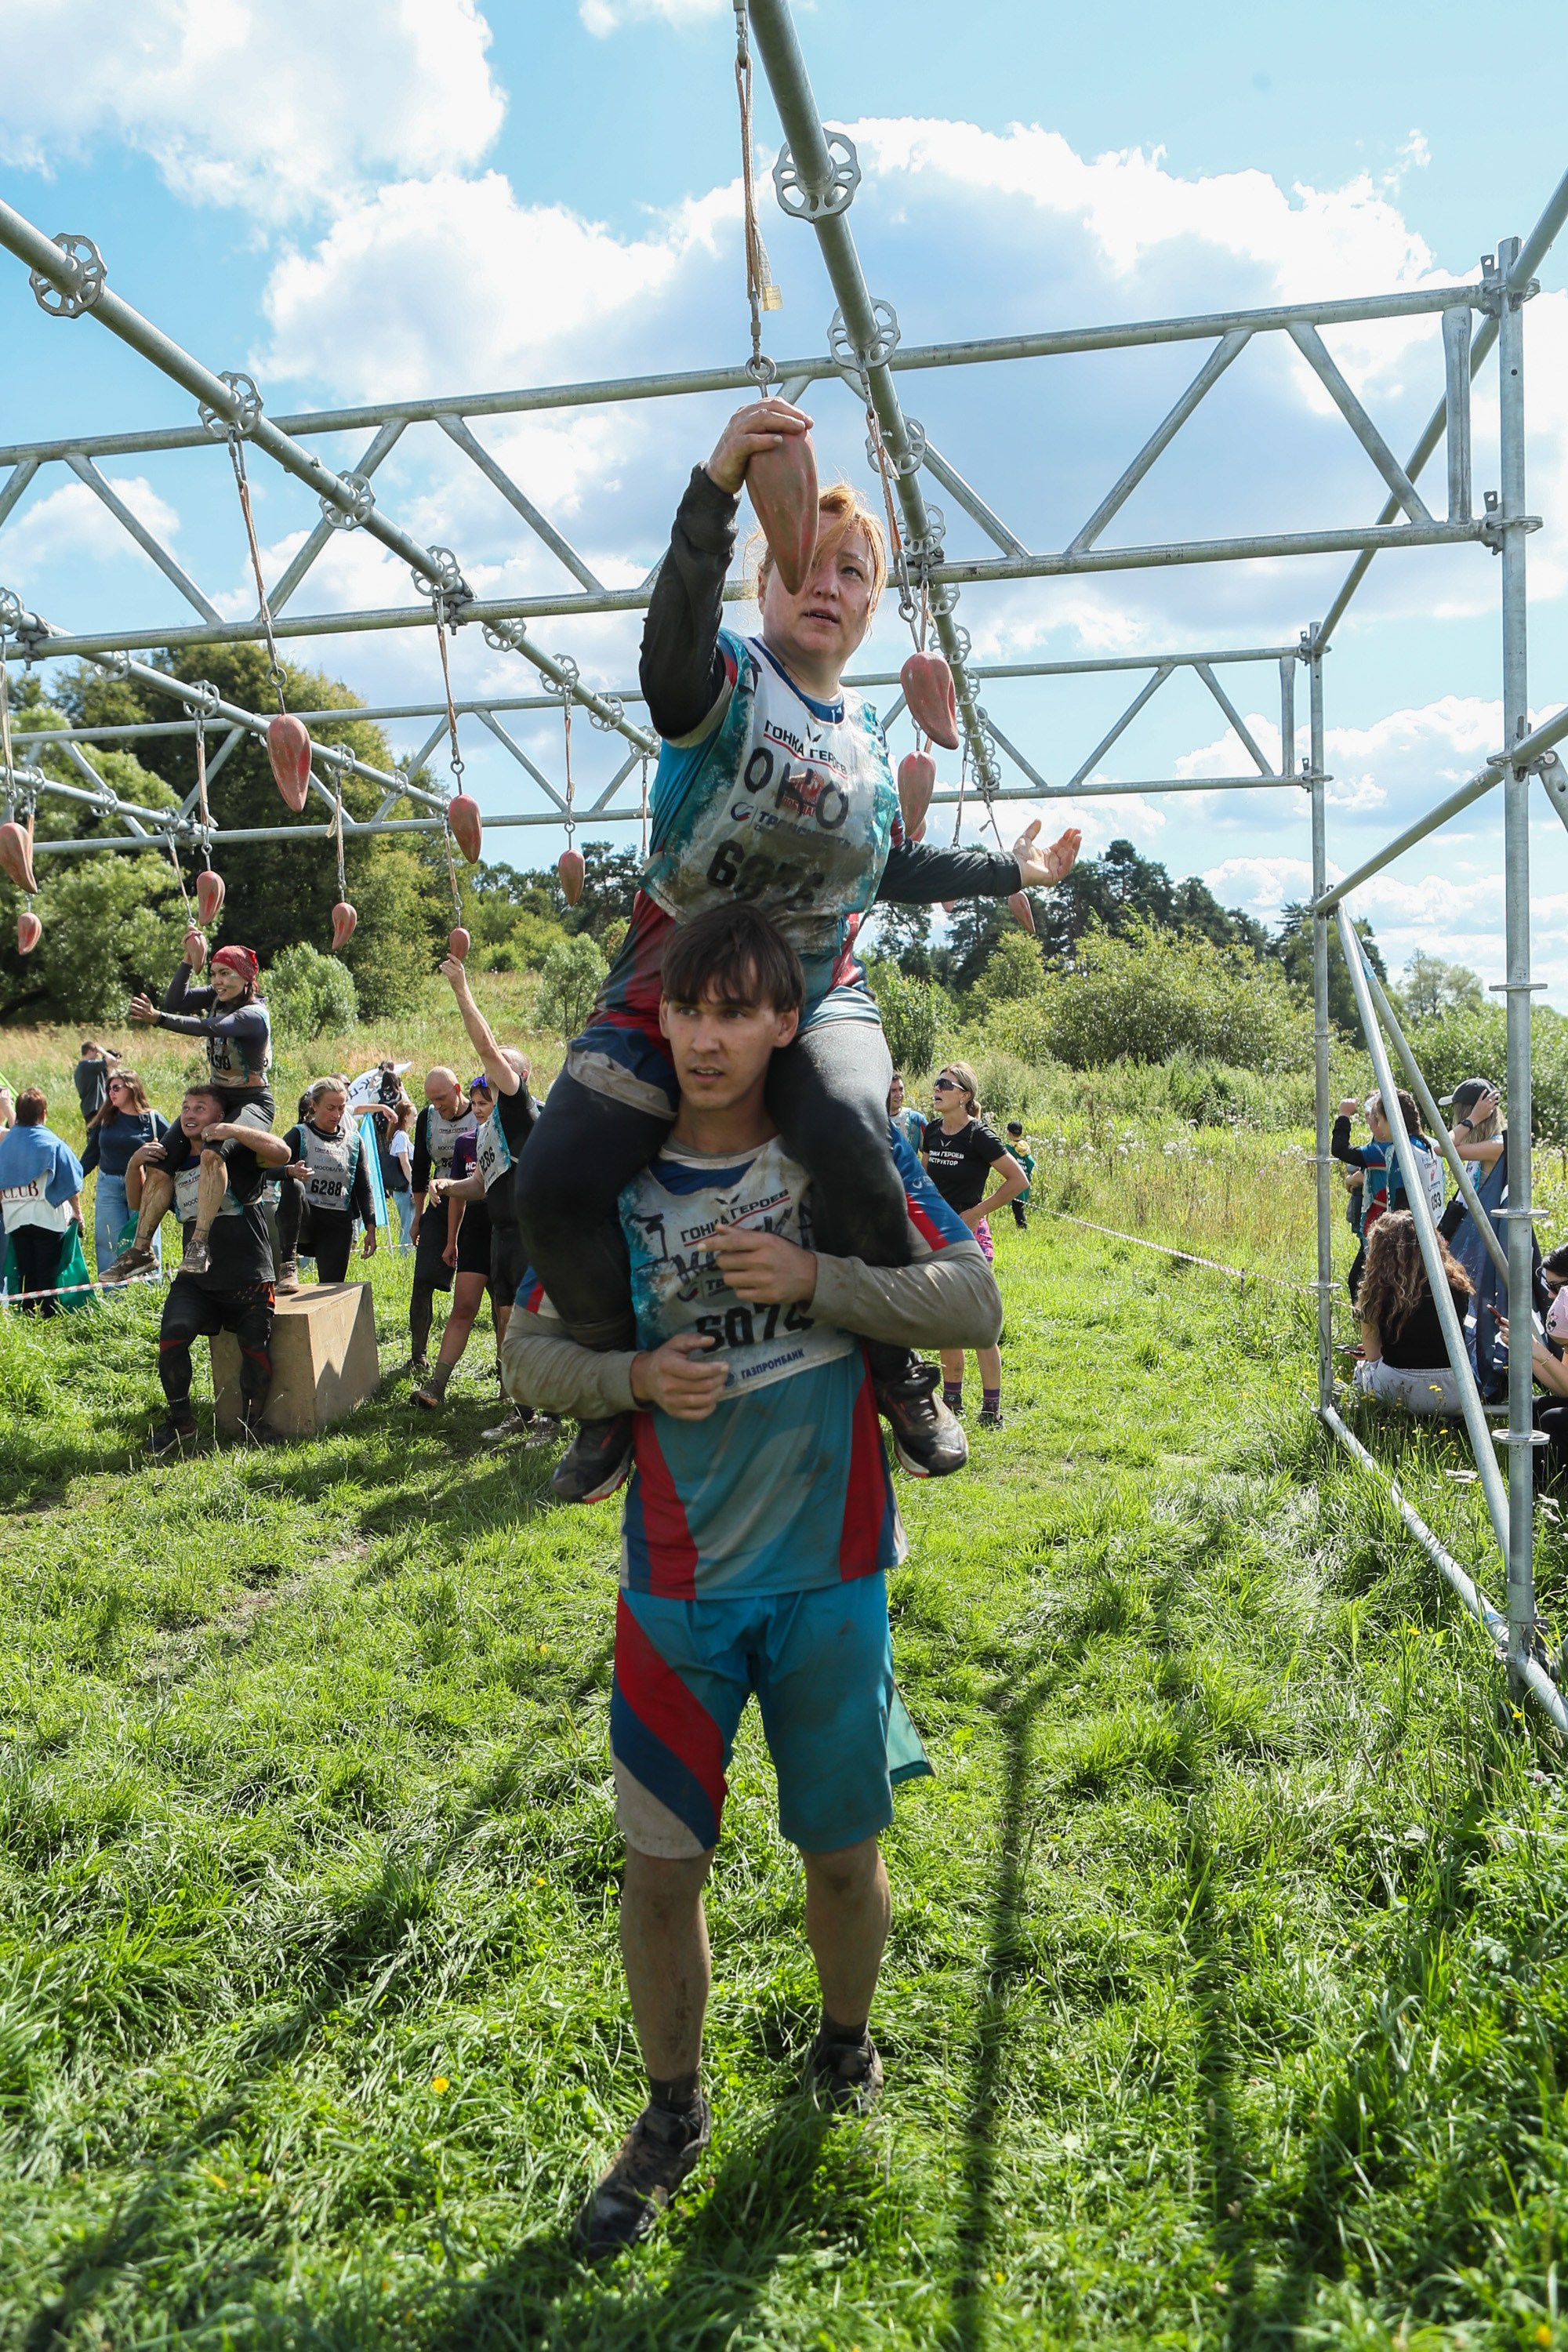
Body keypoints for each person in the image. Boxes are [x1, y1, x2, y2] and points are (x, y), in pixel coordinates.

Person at [503, 903, 1003, 2258]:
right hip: (675, 1592)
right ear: (655, 1023)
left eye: (738, 1011)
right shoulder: (613, 1185)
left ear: (790, 1023)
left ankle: (845, 2048)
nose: (709, 1036)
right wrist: (628, 1378)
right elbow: (524, 1360)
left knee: (842, 1855)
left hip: (833, 1576)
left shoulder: (842, 1164)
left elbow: (974, 1301)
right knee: (662, 1869)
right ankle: (670, 2113)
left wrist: (823, 1280)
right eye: (687, 1009)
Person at [514, 395, 1080, 1505]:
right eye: (806, 563)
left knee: (845, 1129)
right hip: (672, 980)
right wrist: (715, 491)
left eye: (854, 572)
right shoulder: (724, 685)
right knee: (555, 1178)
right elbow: (665, 664)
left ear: (872, 605)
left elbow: (891, 868)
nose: (828, 584)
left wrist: (1019, 872)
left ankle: (899, 1371)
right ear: (764, 579)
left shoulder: (868, 743)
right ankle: (615, 1388)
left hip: (820, 987)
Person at [128, 1084, 292, 1456]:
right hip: (196, 1280)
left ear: (219, 1117)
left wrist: (234, 1131)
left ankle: (253, 1423)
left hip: (250, 1275)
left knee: (254, 1345)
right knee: (172, 1338)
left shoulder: (240, 1155)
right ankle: (181, 1423)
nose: (189, 1113)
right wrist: (134, 1163)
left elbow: (283, 1152)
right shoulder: (174, 1162)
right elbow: (138, 1203)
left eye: (200, 1108)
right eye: (185, 1106)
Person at [427, 956, 545, 1438]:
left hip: (531, 1238)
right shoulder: (491, 1127)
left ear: (517, 1077)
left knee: (536, 1331)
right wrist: (447, 1186)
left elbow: (487, 1045)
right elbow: (484, 1185)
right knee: (509, 1331)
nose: (489, 1070)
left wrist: (461, 988)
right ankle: (521, 1413)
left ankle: (552, 1418)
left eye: (499, 1067)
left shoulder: (519, 1110)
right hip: (501, 1236)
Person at [108, 945, 274, 1283]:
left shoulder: (253, 1015)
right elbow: (177, 999)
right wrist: (187, 958)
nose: (218, 981)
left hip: (252, 1101)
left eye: (226, 974)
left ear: (247, 978)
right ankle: (142, 1250)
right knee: (162, 1160)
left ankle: (199, 1243)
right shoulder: (218, 996)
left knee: (212, 1153)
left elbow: (210, 1028)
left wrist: (158, 1020)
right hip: (218, 1098)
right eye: (213, 973)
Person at [920, 1062, 1026, 1428]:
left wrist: (975, 1213)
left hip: (969, 1238)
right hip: (936, 1237)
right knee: (947, 1323)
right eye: (936, 1082)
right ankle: (952, 1402)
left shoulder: (978, 1135)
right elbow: (923, 1182)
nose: (936, 1088)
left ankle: (991, 1410)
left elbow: (1018, 1180)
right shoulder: (931, 1132)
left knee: (978, 1323)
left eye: (944, 1084)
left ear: (965, 1096)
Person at [1436, 1079, 1541, 1403]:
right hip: (1474, 1243)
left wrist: (1472, 1120)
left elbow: (1441, 1146)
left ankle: (1492, 1379)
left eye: (1457, 1112)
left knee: (1486, 1310)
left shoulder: (1496, 1146)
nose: (1455, 1118)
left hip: (1488, 1247)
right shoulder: (1482, 1147)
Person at [1350, 1209, 1472, 1418]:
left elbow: (1373, 1356)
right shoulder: (1456, 1286)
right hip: (1456, 1390)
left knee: (1361, 1369)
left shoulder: (1378, 1292)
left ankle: (1371, 1421)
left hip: (1397, 1391)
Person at [1330, 1087, 1442, 1301]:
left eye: (1377, 1118)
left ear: (1391, 1119)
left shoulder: (1395, 1150)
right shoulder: (1432, 1145)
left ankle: (1371, 1330)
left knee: (1369, 1284)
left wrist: (1343, 1116)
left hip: (1404, 1235)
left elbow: (1402, 1202)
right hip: (1432, 1227)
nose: (1376, 1124)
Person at [407, 1067, 478, 1374]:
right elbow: (420, 1168)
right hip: (439, 1203)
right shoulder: (427, 1118)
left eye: (441, 1099)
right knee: (423, 1279)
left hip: (477, 1203)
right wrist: (418, 1216)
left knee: (486, 1283)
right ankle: (418, 1354)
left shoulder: (480, 1111)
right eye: (431, 1100)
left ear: (457, 1089)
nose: (436, 1105)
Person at [274, 1076, 378, 1288]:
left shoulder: (354, 1141)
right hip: (305, 1217)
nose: (337, 1115)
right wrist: (289, 1170)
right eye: (330, 1108)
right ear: (314, 1105)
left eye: (341, 1108)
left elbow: (364, 1186)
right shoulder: (299, 1134)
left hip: (337, 1222)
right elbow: (265, 1169)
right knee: (293, 1185)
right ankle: (288, 1265)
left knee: (332, 1289)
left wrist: (371, 1228)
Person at [0, 1088, 85, 1312]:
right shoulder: (52, 1143)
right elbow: (70, 1181)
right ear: (44, 1114)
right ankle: (48, 1316)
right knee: (47, 1272)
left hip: (15, 1219)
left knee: (26, 1271)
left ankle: (28, 1314)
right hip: (47, 1218)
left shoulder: (6, 1145)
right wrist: (78, 1212)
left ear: (18, 1112)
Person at [81, 1068, 169, 1277]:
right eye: (109, 1088)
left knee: (146, 1238)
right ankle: (114, 1292)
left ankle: (148, 1287)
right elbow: (90, 1157)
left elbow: (176, 1147)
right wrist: (69, 1184)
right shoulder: (105, 1120)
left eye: (116, 1088)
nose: (111, 1092)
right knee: (108, 1240)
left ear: (132, 1088)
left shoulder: (152, 1120)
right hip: (108, 1186)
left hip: (143, 1186)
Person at [73, 1040, 119, 1128]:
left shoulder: (82, 1067)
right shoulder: (88, 1066)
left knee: (93, 1136)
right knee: (98, 1136)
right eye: (96, 1052)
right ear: (89, 1052)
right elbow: (112, 1060)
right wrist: (102, 1050)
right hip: (95, 1107)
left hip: (88, 1107)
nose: (98, 1055)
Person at [1004, 1120, 1036, 1231]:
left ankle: (1023, 1228)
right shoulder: (1025, 1147)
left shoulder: (1009, 1148)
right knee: (1020, 1205)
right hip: (1025, 1180)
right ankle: (1021, 1227)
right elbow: (1031, 1163)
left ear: (1009, 1133)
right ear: (1021, 1133)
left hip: (1014, 1181)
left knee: (1017, 1207)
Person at [887, 1071, 927, 1155]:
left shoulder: (916, 1119)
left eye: (901, 1089)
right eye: (893, 1090)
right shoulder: (874, 1120)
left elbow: (932, 1154)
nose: (898, 1094)